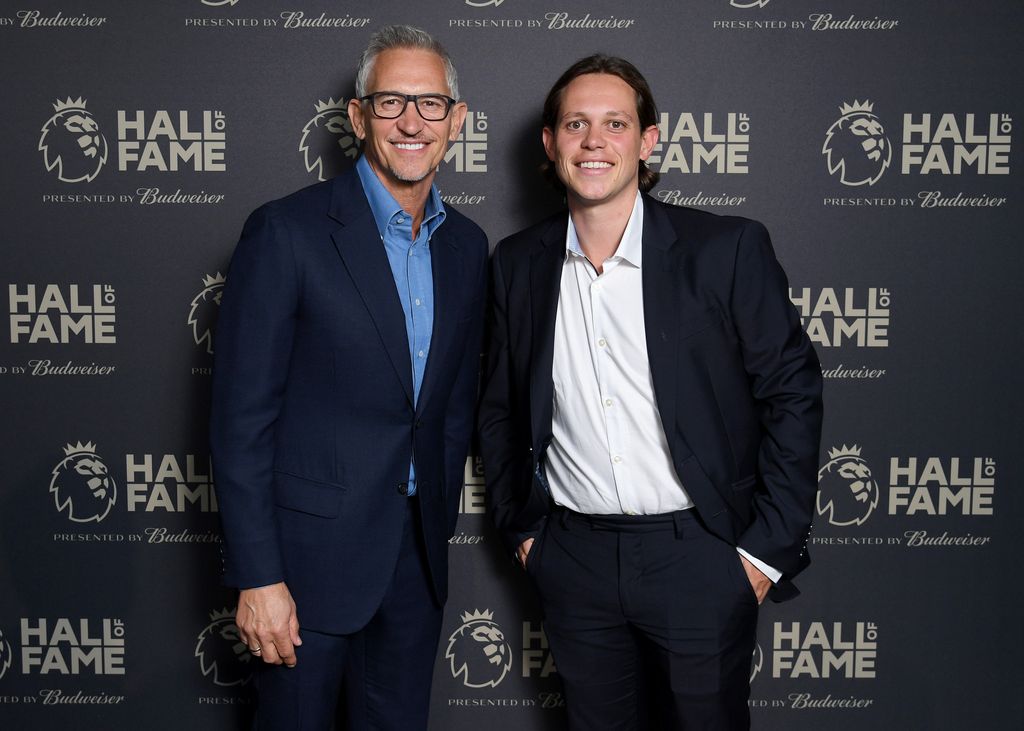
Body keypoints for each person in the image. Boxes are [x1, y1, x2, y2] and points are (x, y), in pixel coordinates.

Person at [478, 55, 823, 730]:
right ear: (550, 144)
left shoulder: (725, 249)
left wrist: (759, 556)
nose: (594, 140)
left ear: (648, 140)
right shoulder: (516, 264)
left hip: (699, 553)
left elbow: (793, 393)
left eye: (615, 123)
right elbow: (496, 409)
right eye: (575, 124)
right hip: (572, 555)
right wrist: (525, 534)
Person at [210, 25, 488, 730]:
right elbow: (241, 419)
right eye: (391, 101)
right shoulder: (287, 232)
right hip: (301, 572)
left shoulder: (467, 246)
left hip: (414, 566)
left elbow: (450, 409)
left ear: (456, 121)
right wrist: (258, 575)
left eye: (431, 104)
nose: (412, 122)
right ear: (359, 116)